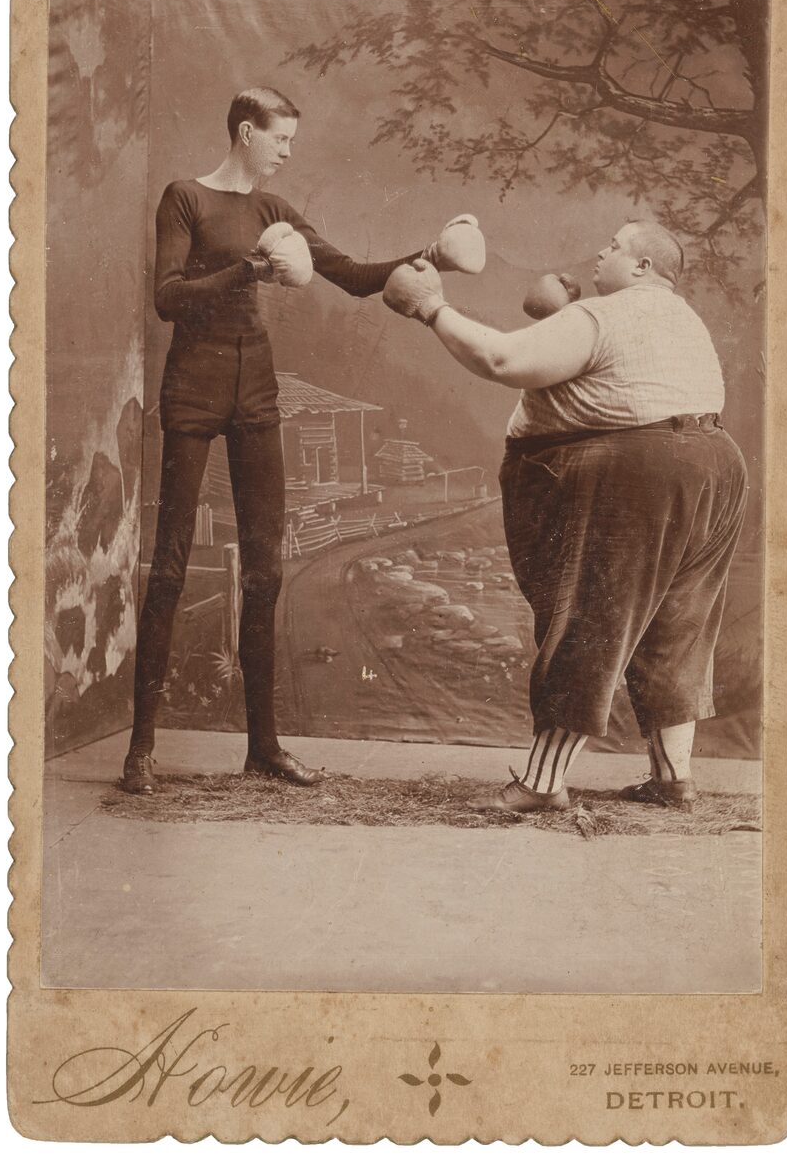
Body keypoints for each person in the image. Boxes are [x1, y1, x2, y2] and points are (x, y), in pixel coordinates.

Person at [123, 85, 484, 795]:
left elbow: (349, 278)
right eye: (282, 137)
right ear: (247, 131)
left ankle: (263, 746)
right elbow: (167, 297)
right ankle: (140, 748)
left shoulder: (274, 212)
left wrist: (429, 253)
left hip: (256, 387)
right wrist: (248, 270)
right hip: (193, 386)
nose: (289, 151)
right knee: (167, 566)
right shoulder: (184, 198)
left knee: (265, 568)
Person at [382, 220, 747, 812]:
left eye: (614, 246)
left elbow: (500, 360)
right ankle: (672, 777)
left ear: (643, 269)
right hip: (716, 468)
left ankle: (542, 784)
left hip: (640, 473)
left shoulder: (606, 315)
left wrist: (431, 309)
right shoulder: (681, 318)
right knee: (677, 627)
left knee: (590, 619)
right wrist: (560, 320)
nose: (598, 252)